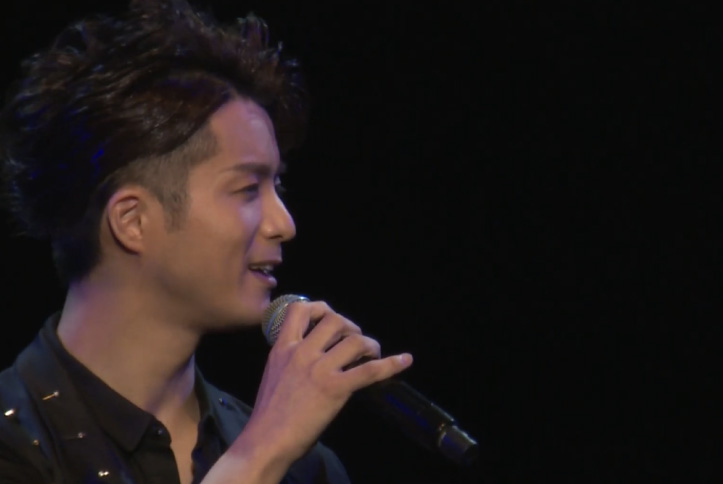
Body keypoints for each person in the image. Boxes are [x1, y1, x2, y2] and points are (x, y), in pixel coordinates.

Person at [0, 0, 413, 483]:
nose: (284, 223)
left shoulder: (306, 469)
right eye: (247, 189)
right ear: (132, 221)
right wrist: (261, 454)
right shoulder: (14, 445)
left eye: (277, 186)